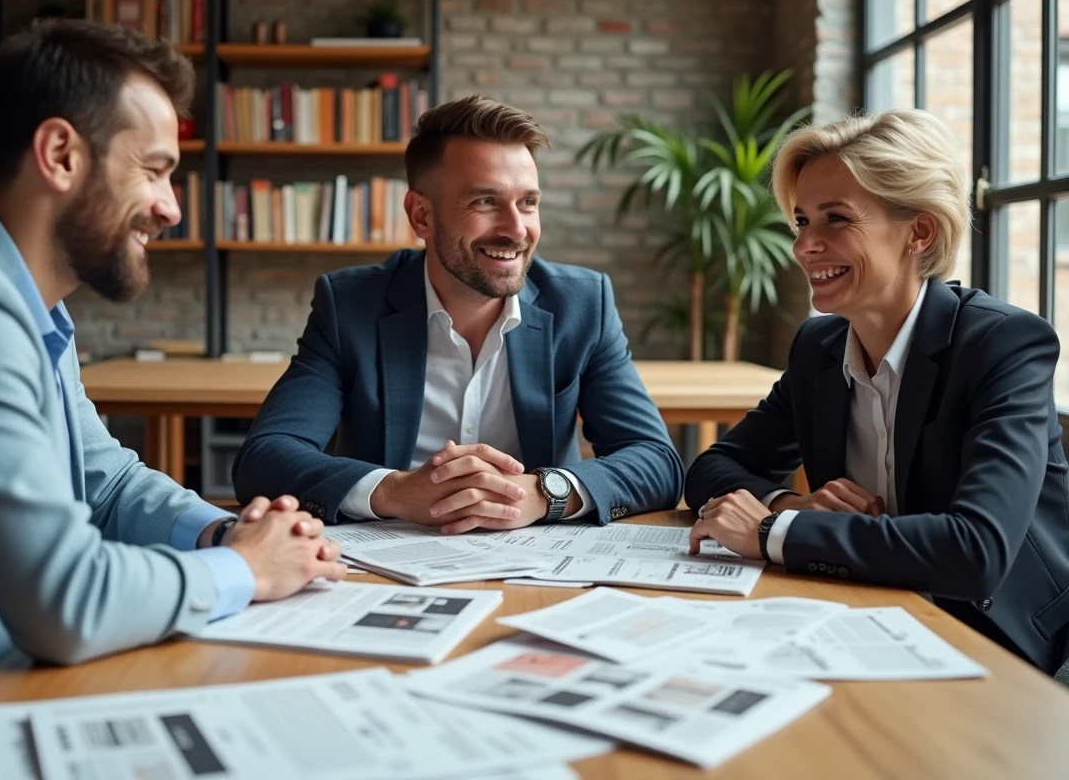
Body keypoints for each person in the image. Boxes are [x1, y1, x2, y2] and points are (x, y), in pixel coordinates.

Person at [0, 20, 346, 756]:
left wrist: (223, 531)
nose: (171, 207)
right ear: (60, 154)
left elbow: (109, 481)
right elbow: (65, 599)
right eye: (153, 170)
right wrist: (246, 568)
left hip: (10, 691)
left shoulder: (24, 298)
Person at [684, 108, 1069, 676]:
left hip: (1004, 643)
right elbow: (715, 466)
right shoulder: (820, 347)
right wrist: (791, 505)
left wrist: (772, 532)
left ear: (919, 230)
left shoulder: (1003, 344)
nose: (805, 246)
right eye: (801, 221)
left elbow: (976, 553)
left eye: (835, 219)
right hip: (868, 611)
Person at [232, 95, 682, 532]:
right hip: (389, 556)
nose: (516, 229)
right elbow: (266, 457)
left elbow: (655, 460)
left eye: (528, 202)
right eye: (485, 201)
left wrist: (544, 493)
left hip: (540, 558)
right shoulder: (350, 305)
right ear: (421, 215)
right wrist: (394, 491)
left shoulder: (582, 304)